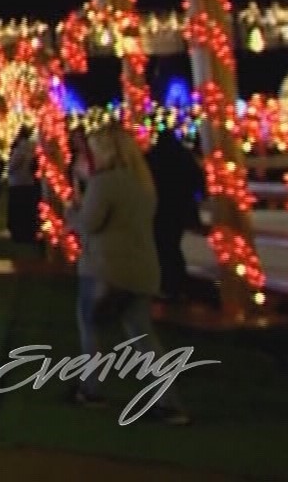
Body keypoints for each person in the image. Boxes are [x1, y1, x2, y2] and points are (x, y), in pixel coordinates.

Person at [67, 127, 192, 424]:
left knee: (91, 329)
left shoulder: (105, 183)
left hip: (105, 267)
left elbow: (87, 224)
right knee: (142, 335)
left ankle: (91, 388)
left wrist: (70, 212)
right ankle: (168, 400)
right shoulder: (142, 182)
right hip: (142, 268)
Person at [145, 128, 204, 301]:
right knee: (172, 244)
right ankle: (176, 283)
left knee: (163, 245)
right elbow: (197, 180)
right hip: (180, 206)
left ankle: (167, 283)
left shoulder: (153, 157)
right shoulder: (184, 156)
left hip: (160, 208)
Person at [6, 125, 42, 245]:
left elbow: (12, 166)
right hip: (29, 181)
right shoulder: (33, 146)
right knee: (28, 210)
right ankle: (28, 232)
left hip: (17, 182)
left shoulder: (20, 148)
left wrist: (9, 169)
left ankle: (19, 233)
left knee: (18, 210)